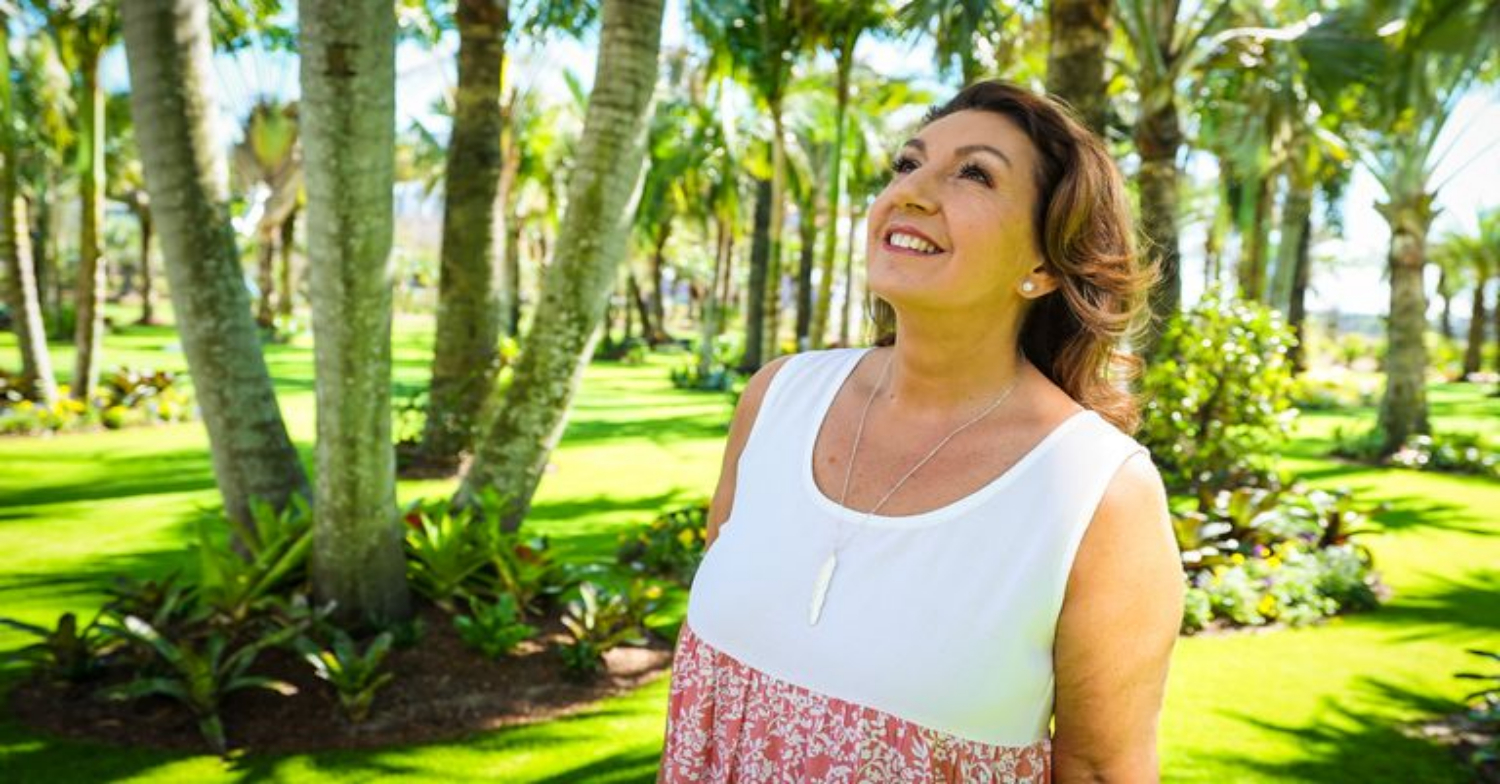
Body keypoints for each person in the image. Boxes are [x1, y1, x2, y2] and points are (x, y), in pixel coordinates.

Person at [656, 80, 1184, 783]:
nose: (910, 192)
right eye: (908, 164)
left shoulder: (1100, 492)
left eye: (975, 174)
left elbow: (1100, 769)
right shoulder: (777, 398)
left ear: (1042, 265)